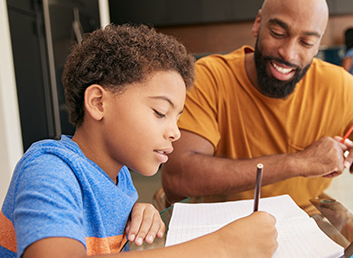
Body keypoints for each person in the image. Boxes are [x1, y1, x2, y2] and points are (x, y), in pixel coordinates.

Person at [0, 24, 277, 257]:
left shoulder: (120, 176)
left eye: (177, 117)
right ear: (98, 103)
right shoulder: (49, 169)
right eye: (160, 112)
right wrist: (223, 246)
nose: (175, 132)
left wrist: (136, 208)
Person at [161, 0, 353, 215]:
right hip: (224, 224)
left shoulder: (340, 86)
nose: (288, 53)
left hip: (307, 222)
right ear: (258, 24)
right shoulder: (209, 78)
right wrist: (299, 163)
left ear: (318, 46)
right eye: (278, 33)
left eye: (306, 42)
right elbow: (178, 178)